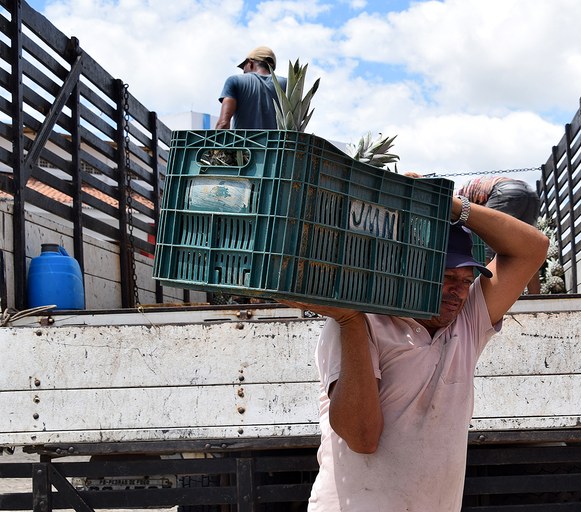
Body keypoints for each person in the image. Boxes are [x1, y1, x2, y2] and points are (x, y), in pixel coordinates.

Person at [281, 195, 549, 511]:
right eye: (448, 277)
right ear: (413, 273)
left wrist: (450, 206)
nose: (460, 291)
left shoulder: (467, 321)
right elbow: (362, 438)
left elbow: (533, 248)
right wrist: (350, 320)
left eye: (466, 280)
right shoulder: (360, 322)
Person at [458, 176, 543, 294]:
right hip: (530, 194)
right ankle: (536, 297)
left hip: (504, 192)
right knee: (526, 248)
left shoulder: (457, 200)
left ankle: (483, 296)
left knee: (483, 248)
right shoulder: (470, 190)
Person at [215, 46, 287, 129]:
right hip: (276, 142)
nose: (243, 71)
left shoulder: (235, 81)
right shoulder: (286, 84)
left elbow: (223, 123)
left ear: (250, 63)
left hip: (243, 142)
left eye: (243, 67)